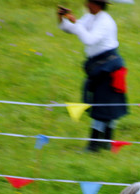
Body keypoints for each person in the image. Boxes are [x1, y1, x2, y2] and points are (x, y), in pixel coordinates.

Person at [57, 1, 128, 152]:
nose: (86, 4)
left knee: (104, 108)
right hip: (99, 66)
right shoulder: (90, 17)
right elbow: (71, 29)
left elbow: (88, 39)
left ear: (97, 4)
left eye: (89, 1)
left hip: (109, 67)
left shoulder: (105, 21)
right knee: (103, 106)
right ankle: (104, 143)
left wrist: (77, 23)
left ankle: (95, 146)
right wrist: (63, 18)